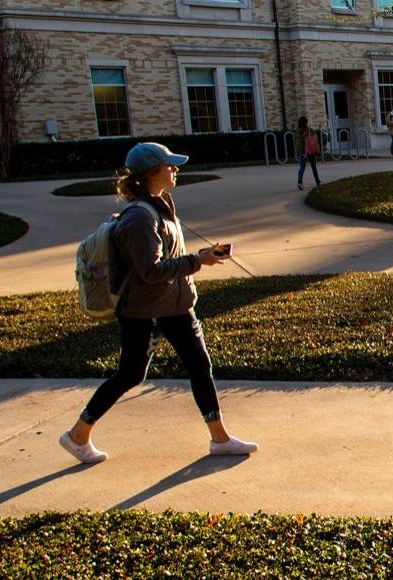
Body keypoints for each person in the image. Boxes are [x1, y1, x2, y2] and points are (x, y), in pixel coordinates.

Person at [58, 142, 258, 464]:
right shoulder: (139, 218)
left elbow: (166, 260)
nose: (175, 170)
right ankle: (78, 434)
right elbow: (151, 272)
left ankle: (220, 439)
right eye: (170, 165)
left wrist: (199, 258)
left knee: (199, 366)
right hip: (145, 311)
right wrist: (198, 261)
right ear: (152, 172)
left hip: (174, 305)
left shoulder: (160, 206)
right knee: (130, 375)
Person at [293, 116, 320, 191]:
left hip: (303, 151)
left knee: (303, 167)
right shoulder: (306, 130)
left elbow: (296, 142)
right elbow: (315, 140)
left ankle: (300, 182)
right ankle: (317, 181)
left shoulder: (298, 131)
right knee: (313, 167)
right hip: (309, 151)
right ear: (305, 122)